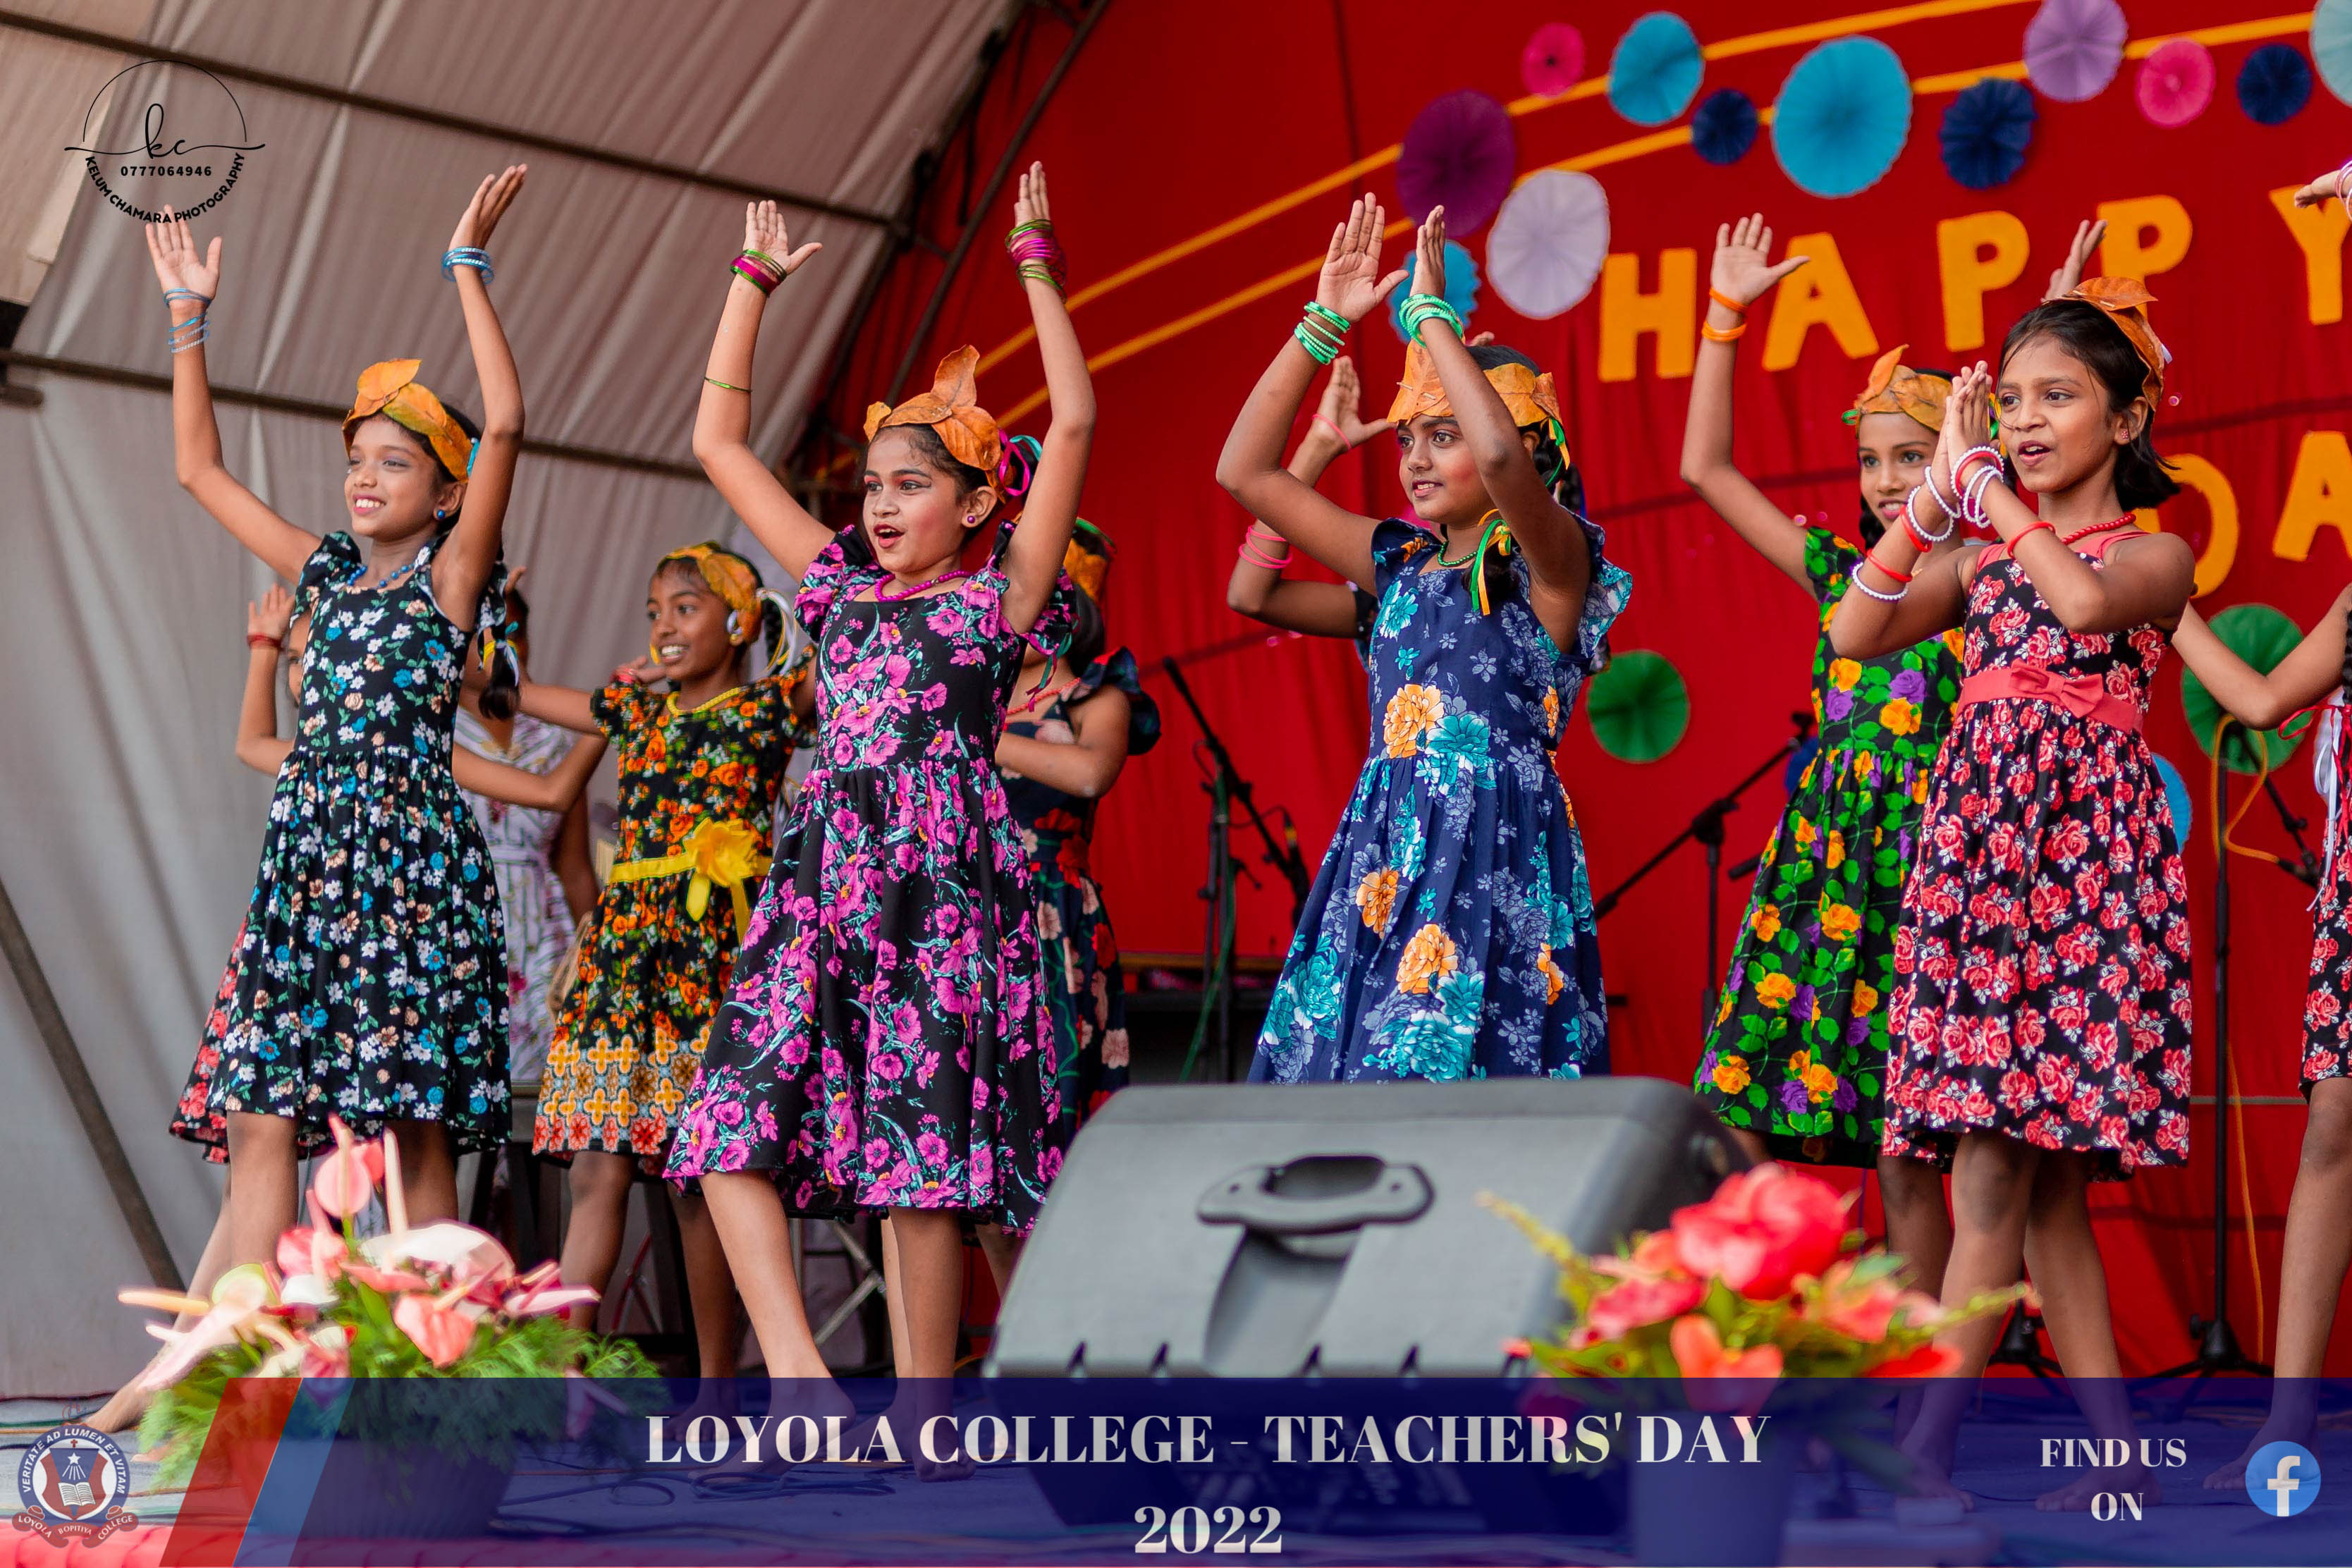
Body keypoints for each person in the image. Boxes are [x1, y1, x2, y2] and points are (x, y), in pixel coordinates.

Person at [663, 166, 1089, 1454]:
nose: (883, 506)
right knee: (722, 1126)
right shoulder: (836, 589)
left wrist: (1033, 267)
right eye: (873, 488)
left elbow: (1073, 421)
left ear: (977, 505)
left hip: (942, 892)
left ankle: (923, 1422)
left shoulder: (997, 599)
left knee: (922, 1172)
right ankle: (800, 1380)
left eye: (911, 486)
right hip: (821, 888)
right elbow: (718, 446)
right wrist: (749, 289)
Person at [1679, 214, 2106, 1291]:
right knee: (1744, 1113)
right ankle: (1763, 1339)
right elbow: (1705, 468)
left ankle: (1913, 1363)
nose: (1883, 481)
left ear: (1963, 454)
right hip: (1825, 868)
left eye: (1911, 457)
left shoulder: (1997, 576)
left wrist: (2058, 326)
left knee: (1909, 1154)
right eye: (1870, 461)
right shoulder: (1845, 574)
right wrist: (1724, 318)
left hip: (1936, 870)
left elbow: (2048, 466)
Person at [1827, 281, 2194, 1508]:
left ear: (2127, 418)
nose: (2026, 419)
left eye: (2059, 396)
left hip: (2081, 879)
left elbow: (2083, 605)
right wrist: (1935, 496)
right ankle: (2118, 1462)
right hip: (1983, 872)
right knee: (2038, 1199)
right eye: (2014, 399)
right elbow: (1853, 631)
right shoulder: (1981, 565)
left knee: (1996, 1172)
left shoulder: (2154, 553)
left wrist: (1990, 496)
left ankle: (1921, 1457)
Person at [87, 584, 601, 1436]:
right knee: (263, 1150)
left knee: (396, 1160)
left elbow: (546, 795)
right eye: (301, 659)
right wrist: (263, 648)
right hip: (306, 954)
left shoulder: (410, 747)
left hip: (394, 959)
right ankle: (190, 1373)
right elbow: (251, 740)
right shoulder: (314, 756)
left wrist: (610, 720)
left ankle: (383, 1374)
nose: (309, 670)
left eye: (312, 655)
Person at [145, 168, 531, 1273]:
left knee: (411, 1137)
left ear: (448, 493)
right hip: (307, 869)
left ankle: (431, 1351)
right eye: (356, 460)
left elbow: (506, 421)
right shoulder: (320, 575)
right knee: (259, 1112)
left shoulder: (448, 582)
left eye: (394, 463)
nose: (365, 478)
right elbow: (198, 469)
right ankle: (251, 1355)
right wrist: (187, 320)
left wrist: (467, 269)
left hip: (408, 874)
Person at [1215, 200, 1628, 1082]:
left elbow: (1503, 464)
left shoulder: (1554, 565)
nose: (1414, 458)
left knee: (1461, 1089)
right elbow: (1243, 471)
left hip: (1493, 851)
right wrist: (1322, 324)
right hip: (1386, 849)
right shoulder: (1399, 563)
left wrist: (1431, 317)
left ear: (1534, 445)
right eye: (1409, 437)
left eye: (1444, 435)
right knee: (1352, 1086)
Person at [522, 544, 813, 1380]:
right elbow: (514, 692)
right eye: (655, 612)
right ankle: (563, 1382)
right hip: (621, 960)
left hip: (711, 960)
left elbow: (860, 660)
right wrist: (487, 626)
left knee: (700, 1181)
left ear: (740, 620)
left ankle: (717, 1387)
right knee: (595, 1166)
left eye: (685, 608)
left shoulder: (769, 705)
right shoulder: (633, 711)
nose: (664, 627)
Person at [456, 576, 598, 1089]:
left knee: (547, 1090)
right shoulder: (433, 730)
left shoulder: (555, 738)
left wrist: (599, 958)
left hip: (544, 936)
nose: (502, 646)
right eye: (486, 632)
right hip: (462, 927)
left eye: (513, 631)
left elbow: (574, 867)